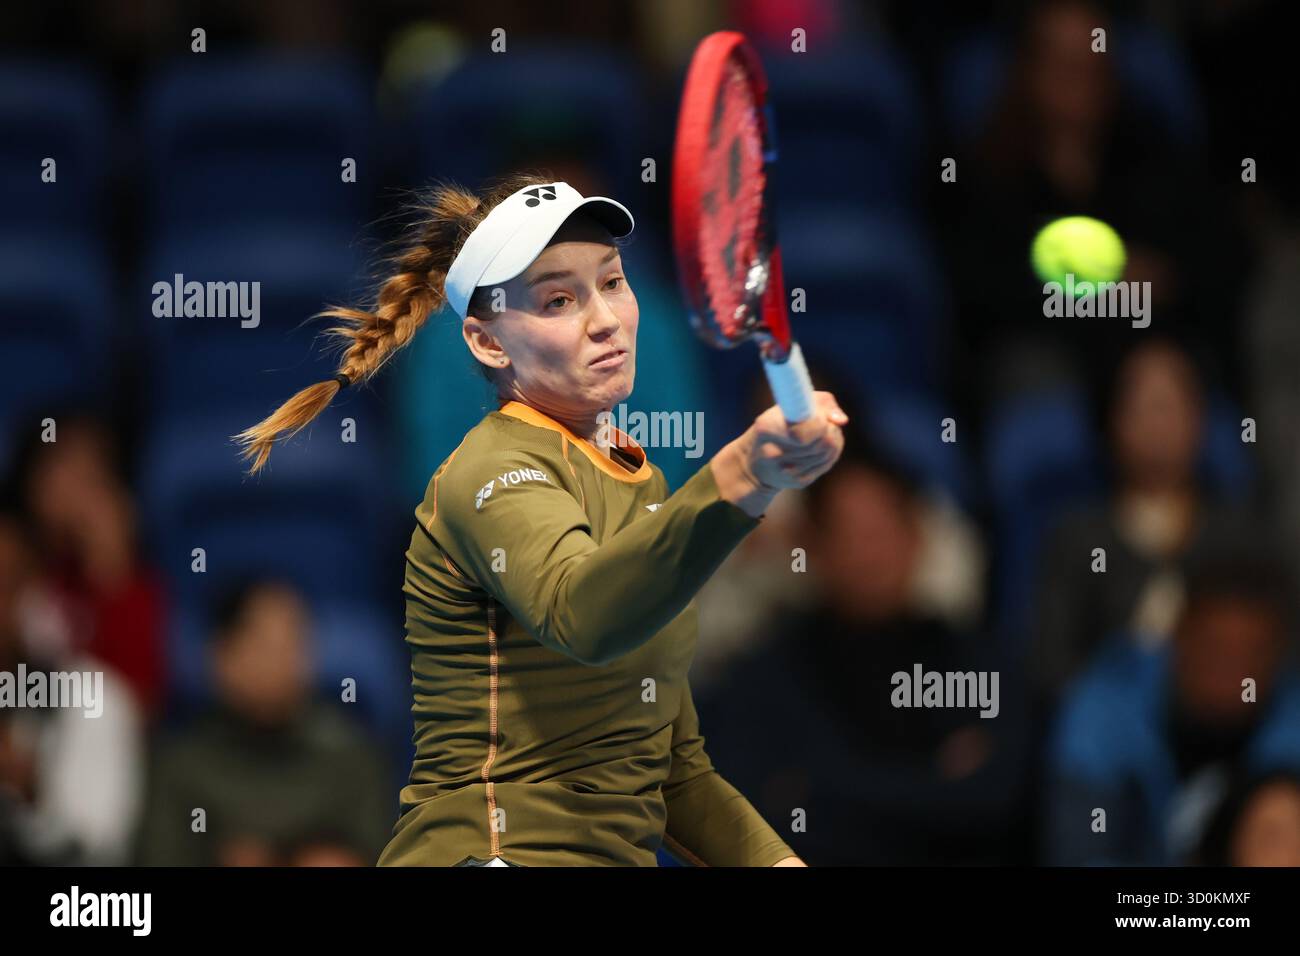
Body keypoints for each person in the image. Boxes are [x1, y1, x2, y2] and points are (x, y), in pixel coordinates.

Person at [234, 173, 847, 866]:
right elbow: (582, 612)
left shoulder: (643, 486)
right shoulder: (486, 473)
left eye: (612, 282)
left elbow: (674, 770)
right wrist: (744, 474)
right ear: (490, 343)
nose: (606, 318)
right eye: (559, 299)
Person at [1043, 542, 1300, 865]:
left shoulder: (1292, 727)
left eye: (1250, 653)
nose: (1230, 669)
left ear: (1279, 658)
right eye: (1215, 647)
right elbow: (1081, 855)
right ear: (1179, 637)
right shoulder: (1105, 710)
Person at [136, 578, 392, 866]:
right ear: (222, 656)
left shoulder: (351, 757)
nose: (284, 661)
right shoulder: (179, 765)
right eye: (265, 644)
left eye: (295, 642)